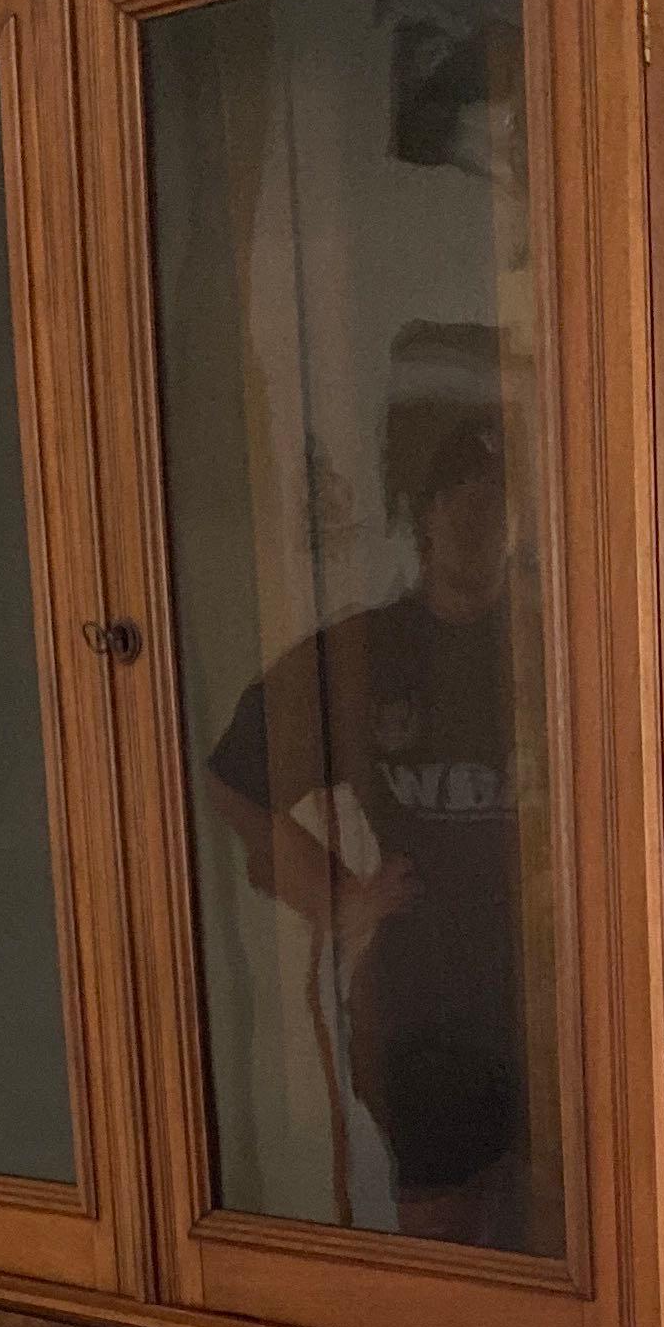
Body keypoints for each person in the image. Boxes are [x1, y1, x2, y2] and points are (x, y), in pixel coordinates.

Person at [204, 321, 544, 1248]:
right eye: (454, 499)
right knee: (450, 1269)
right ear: (418, 509)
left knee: (590, 1266)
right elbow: (236, 781)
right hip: (428, 1017)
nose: (477, 519)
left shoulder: (566, 649)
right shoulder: (364, 658)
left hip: (566, 993)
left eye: (495, 496)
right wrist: (340, 899)